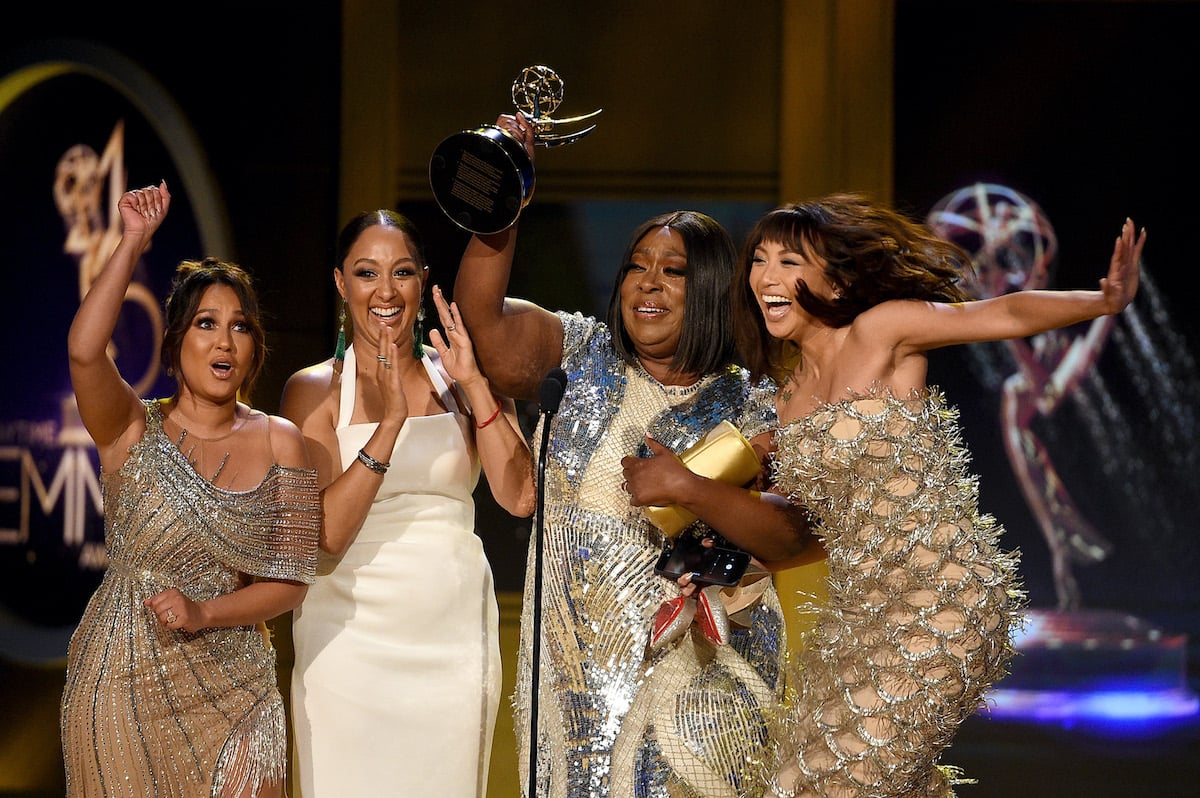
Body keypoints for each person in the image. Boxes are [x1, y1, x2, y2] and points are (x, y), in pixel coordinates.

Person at [729, 194, 1145, 798]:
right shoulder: (785, 398)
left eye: (790, 261)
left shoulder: (879, 332)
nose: (767, 277)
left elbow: (1002, 313)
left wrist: (1103, 301)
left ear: (837, 279)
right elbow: (793, 526)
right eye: (759, 260)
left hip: (943, 601)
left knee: (824, 785)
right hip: (856, 622)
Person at [453, 114, 819, 797]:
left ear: (710, 289)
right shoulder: (579, 355)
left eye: (672, 272)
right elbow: (485, 326)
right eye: (636, 268)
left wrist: (692, 487)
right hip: (575, 688)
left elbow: (798, 533)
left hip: (700, 690)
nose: (646, 284)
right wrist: (501, 199)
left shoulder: (752, 408)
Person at [60, 181, 321, 798]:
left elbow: (292, 581)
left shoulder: (284, 441)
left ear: (255, 347)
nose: (225, 342)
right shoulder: (129, 429)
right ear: (175, 341)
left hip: (239, 684)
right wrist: (131, 243)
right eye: (207, 324)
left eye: (241, 327)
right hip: (122, 683)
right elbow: (83, 349)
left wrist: (206, 612)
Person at [282, 209, 536, 797]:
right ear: (341, 284)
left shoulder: (463, 378)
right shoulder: (313, 389)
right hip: (344, 638)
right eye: (366, 273)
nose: (385, 291)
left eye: (402, 272)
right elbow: (319, 541)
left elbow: (520, 495)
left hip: (449, 634)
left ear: (423, 282)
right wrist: (390, 424)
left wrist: (475, 384)